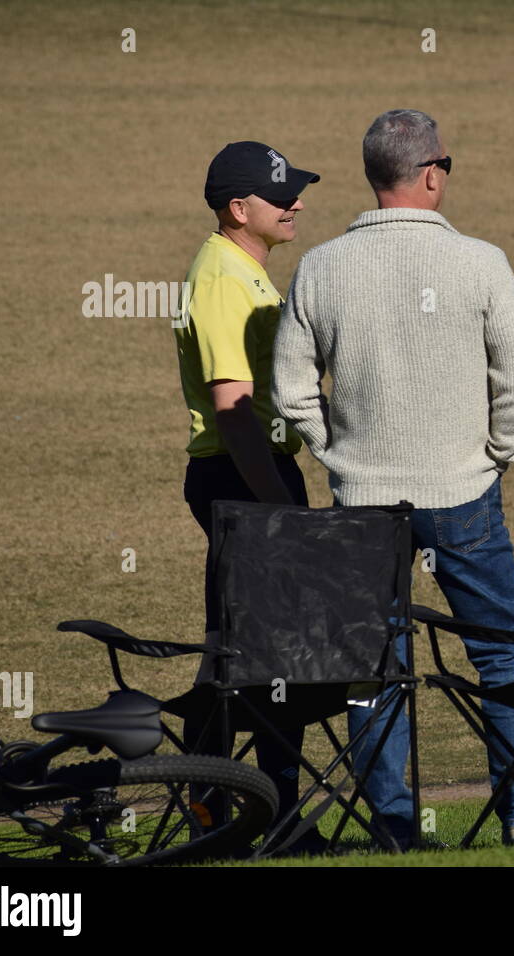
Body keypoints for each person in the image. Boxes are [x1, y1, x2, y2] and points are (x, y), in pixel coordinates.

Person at [271, 109, 514, 847]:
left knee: (373, 666)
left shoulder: (321, 266)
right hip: (464, 492)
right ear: (431, 174)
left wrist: (337, 452)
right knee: (502, 654)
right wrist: (495, 455)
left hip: (362, 501)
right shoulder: (481, 262)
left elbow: (291, 391)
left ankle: (395, 827)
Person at [174, 140, 324, 850]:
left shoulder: (242, 269)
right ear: (239, 209)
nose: (297, 204)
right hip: (245, 479)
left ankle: (246, 814)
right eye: (282, 195)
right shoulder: (222, 278)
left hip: (254, 475)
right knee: (258, 659)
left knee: (247, 655)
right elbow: (233, 410)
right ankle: (246, 817)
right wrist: (281, 513)